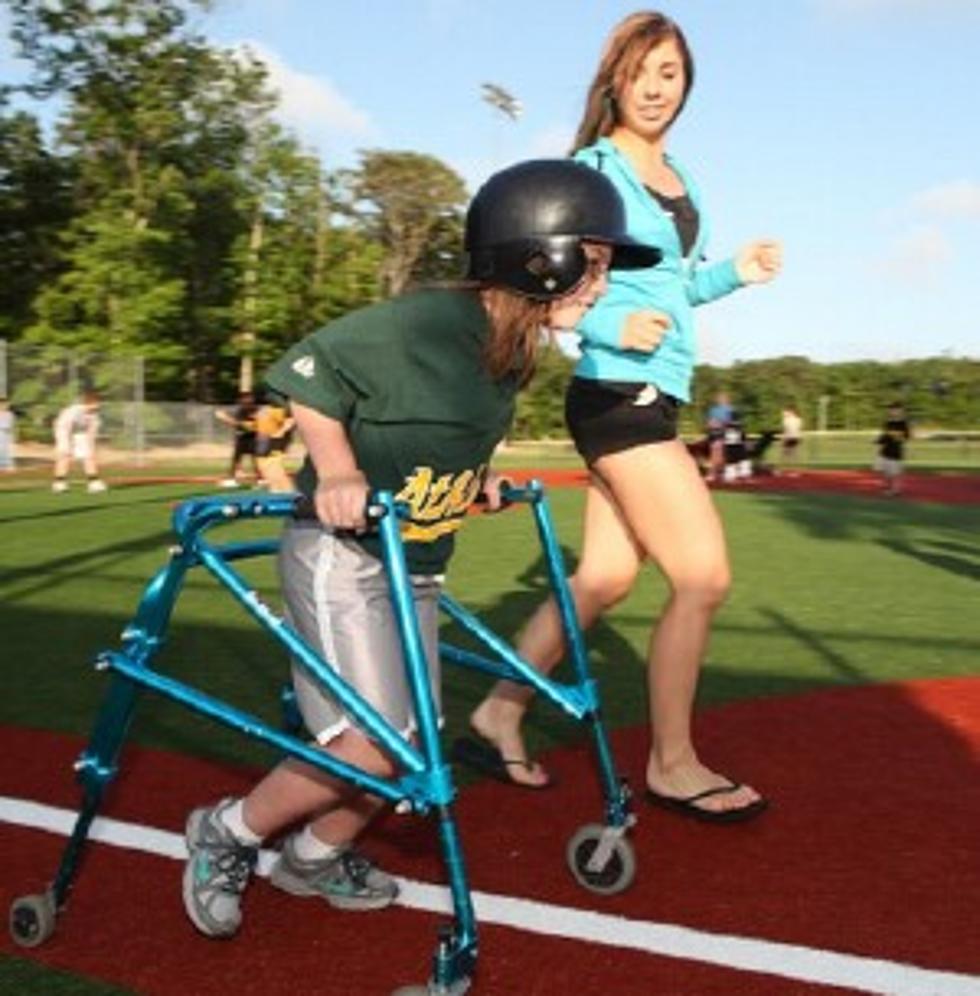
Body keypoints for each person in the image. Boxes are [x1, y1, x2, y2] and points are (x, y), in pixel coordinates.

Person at [180, 158, 660, 939]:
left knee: (417, 745)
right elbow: (311, 370)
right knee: (372, 743)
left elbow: (434, 430)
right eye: (595, 264)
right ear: (540, 254)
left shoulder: (515, 346)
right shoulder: (431, 323)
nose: (603, 285)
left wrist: (477, 483)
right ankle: (226, 830)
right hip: (344, 556)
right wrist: (335, 471)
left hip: (415, 570)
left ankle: (309, 860)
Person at [464, 11, 782, 821]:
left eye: (670, 72)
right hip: (614, 395)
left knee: (603, 577)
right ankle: (674, 764)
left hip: (656, 395)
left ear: (686, 85)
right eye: (642, 69)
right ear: (614, 77)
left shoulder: (685, 179)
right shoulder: (592, 170)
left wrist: (733, 274)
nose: (655, 85)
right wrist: (608, 325)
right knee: (703, 577)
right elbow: (549, 292)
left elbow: (674, 288)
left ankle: (501, 708)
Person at [52, 391, 107, 493]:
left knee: (89, 456)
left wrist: (91, 448)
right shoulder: (74, 411)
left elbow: (91, 433)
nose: (99, 406)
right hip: (63, 429)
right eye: (98, 403)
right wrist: (68, 443)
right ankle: (59, 483)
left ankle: (93, 482)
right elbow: (67, 426)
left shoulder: (95, 416)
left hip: (80, 432)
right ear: (90, 403)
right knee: (65, 455)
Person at [215, 390, 259, 488]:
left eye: (247, 398)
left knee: (256, 461)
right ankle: (232, 479)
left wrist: (225, 419)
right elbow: (239, 425)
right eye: (243, 398)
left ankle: (260, 480)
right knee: (236, 460)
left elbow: (247, 426)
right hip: (242, 438)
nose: (244, 400)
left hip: (252, 439)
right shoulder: (241, 410)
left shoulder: (254, 410)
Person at [253, 397, 296, 492]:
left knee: (273, 466)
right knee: (265, 466)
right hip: (264, 439)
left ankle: (286, 490)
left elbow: (291, 421)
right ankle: (277, 489)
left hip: (274, 441)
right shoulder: (263, 411)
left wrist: (280, 432)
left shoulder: (276, 411)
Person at [875, 402, 911, 496]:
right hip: (885, 451)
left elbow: (906, 437)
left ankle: (896, 490)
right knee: (885, 472)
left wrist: (898, 436)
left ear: (901, 411)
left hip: (896, 451)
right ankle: (888, 487)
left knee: (895, 472)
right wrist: (878, 441)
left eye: (896, 410)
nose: (893, 412)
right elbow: (884, 436)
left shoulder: (903, 423)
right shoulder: (887, 423)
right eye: (891, 410)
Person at [705, 391, 733, 483]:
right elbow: (709, 422)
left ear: (727, 400)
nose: (721, 400)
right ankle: (714, 473)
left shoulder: (730, 410)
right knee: (715, 453)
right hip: (714, 433)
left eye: (723, 398)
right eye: (719, 398)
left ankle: (718, 473)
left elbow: (731, 423)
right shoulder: (713, 410)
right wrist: (711, 424)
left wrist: (720, 424)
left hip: (724, 433)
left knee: (720, 454)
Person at [780, 404, 803, 474]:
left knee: (785, 454)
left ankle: (782, 470)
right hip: (796, 437)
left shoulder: (787, 420)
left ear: (791, 411)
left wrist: (784, 438)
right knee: (794, 454)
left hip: (790, 437)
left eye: (786, 412)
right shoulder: (799, 419)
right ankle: (795, 470)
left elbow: (786, 430)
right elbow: (799, 429)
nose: (784, 413)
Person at [0, 397, 15, 473]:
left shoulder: (9, 414)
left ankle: (7, 465)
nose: (5, 406)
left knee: (7, 450)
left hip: (7, 433)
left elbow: (11, 425)